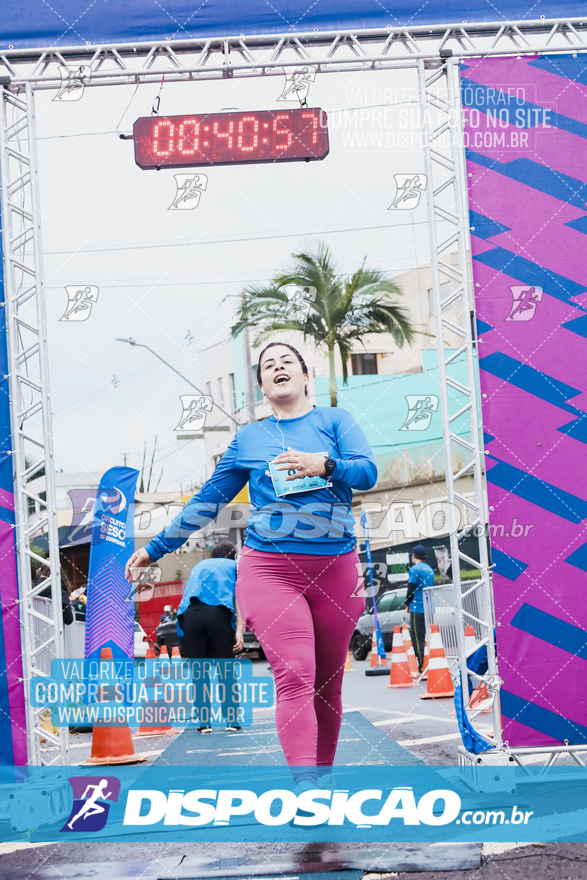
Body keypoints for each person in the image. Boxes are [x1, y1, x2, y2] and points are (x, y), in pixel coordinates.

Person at [126, 341, 377, 788]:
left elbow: (368, 472)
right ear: (261, 386)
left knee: (327, 685)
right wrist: (156, 548)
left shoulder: (334, 421)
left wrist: (324, 464)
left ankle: (322, 776)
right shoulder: (249, 439)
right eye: (268, 367)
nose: (278, 369)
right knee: (296, 671)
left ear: (305, 378)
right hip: (270, 568)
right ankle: (307, 787)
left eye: (287, 363)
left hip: (336, 567)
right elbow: (208, 500)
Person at [176, 541, 244, 733]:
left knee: (199, 671)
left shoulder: (199, 566)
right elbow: (239, 598)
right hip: (217, 614)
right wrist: (238, 632)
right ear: (233, 556)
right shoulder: (234, 566)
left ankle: (204, 723)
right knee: (225, 669)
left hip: (190, 616)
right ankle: (231, 720)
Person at [405, 543, 434, 673]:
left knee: (418, 639)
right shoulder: (430, 569)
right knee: (429, 638)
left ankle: (423, 667)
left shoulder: (414, 569)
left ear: (413, 555)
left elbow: (411, 588)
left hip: (418, 608)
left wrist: (407, 603)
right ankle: (431, 664)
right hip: (429, 608)